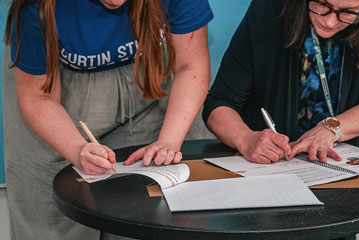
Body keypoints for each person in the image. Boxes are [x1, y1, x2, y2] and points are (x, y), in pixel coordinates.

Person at [3, 0, 212, 239]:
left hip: (144, 83)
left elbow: (190, 66)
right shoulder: (36, 7)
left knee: (145, 212)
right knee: (51, 223)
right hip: (49, 91)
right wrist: (77, 148)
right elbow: (38, 96)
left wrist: (168, 142)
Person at [203, 0, 359, 165]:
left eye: (348, 12)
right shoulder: (270, 8)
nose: (329, 21)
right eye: (322, 4)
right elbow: (219, 103)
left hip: (348, 168)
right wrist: (245, 139)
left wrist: (331, 128)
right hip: (272, 170)